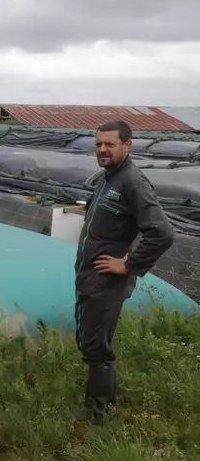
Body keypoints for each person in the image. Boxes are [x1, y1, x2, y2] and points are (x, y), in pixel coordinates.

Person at [72, 120, 175, 421]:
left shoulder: (132, 182)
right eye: (98, 144)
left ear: (127, 146)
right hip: (91, 274)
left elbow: (162, 232)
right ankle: (102, 402)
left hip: (107, 278)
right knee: (90, 336)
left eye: (110, 144)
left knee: (97, 344)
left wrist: (128, 264)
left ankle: (100, 413)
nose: (102, 150)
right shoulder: (108, 178)